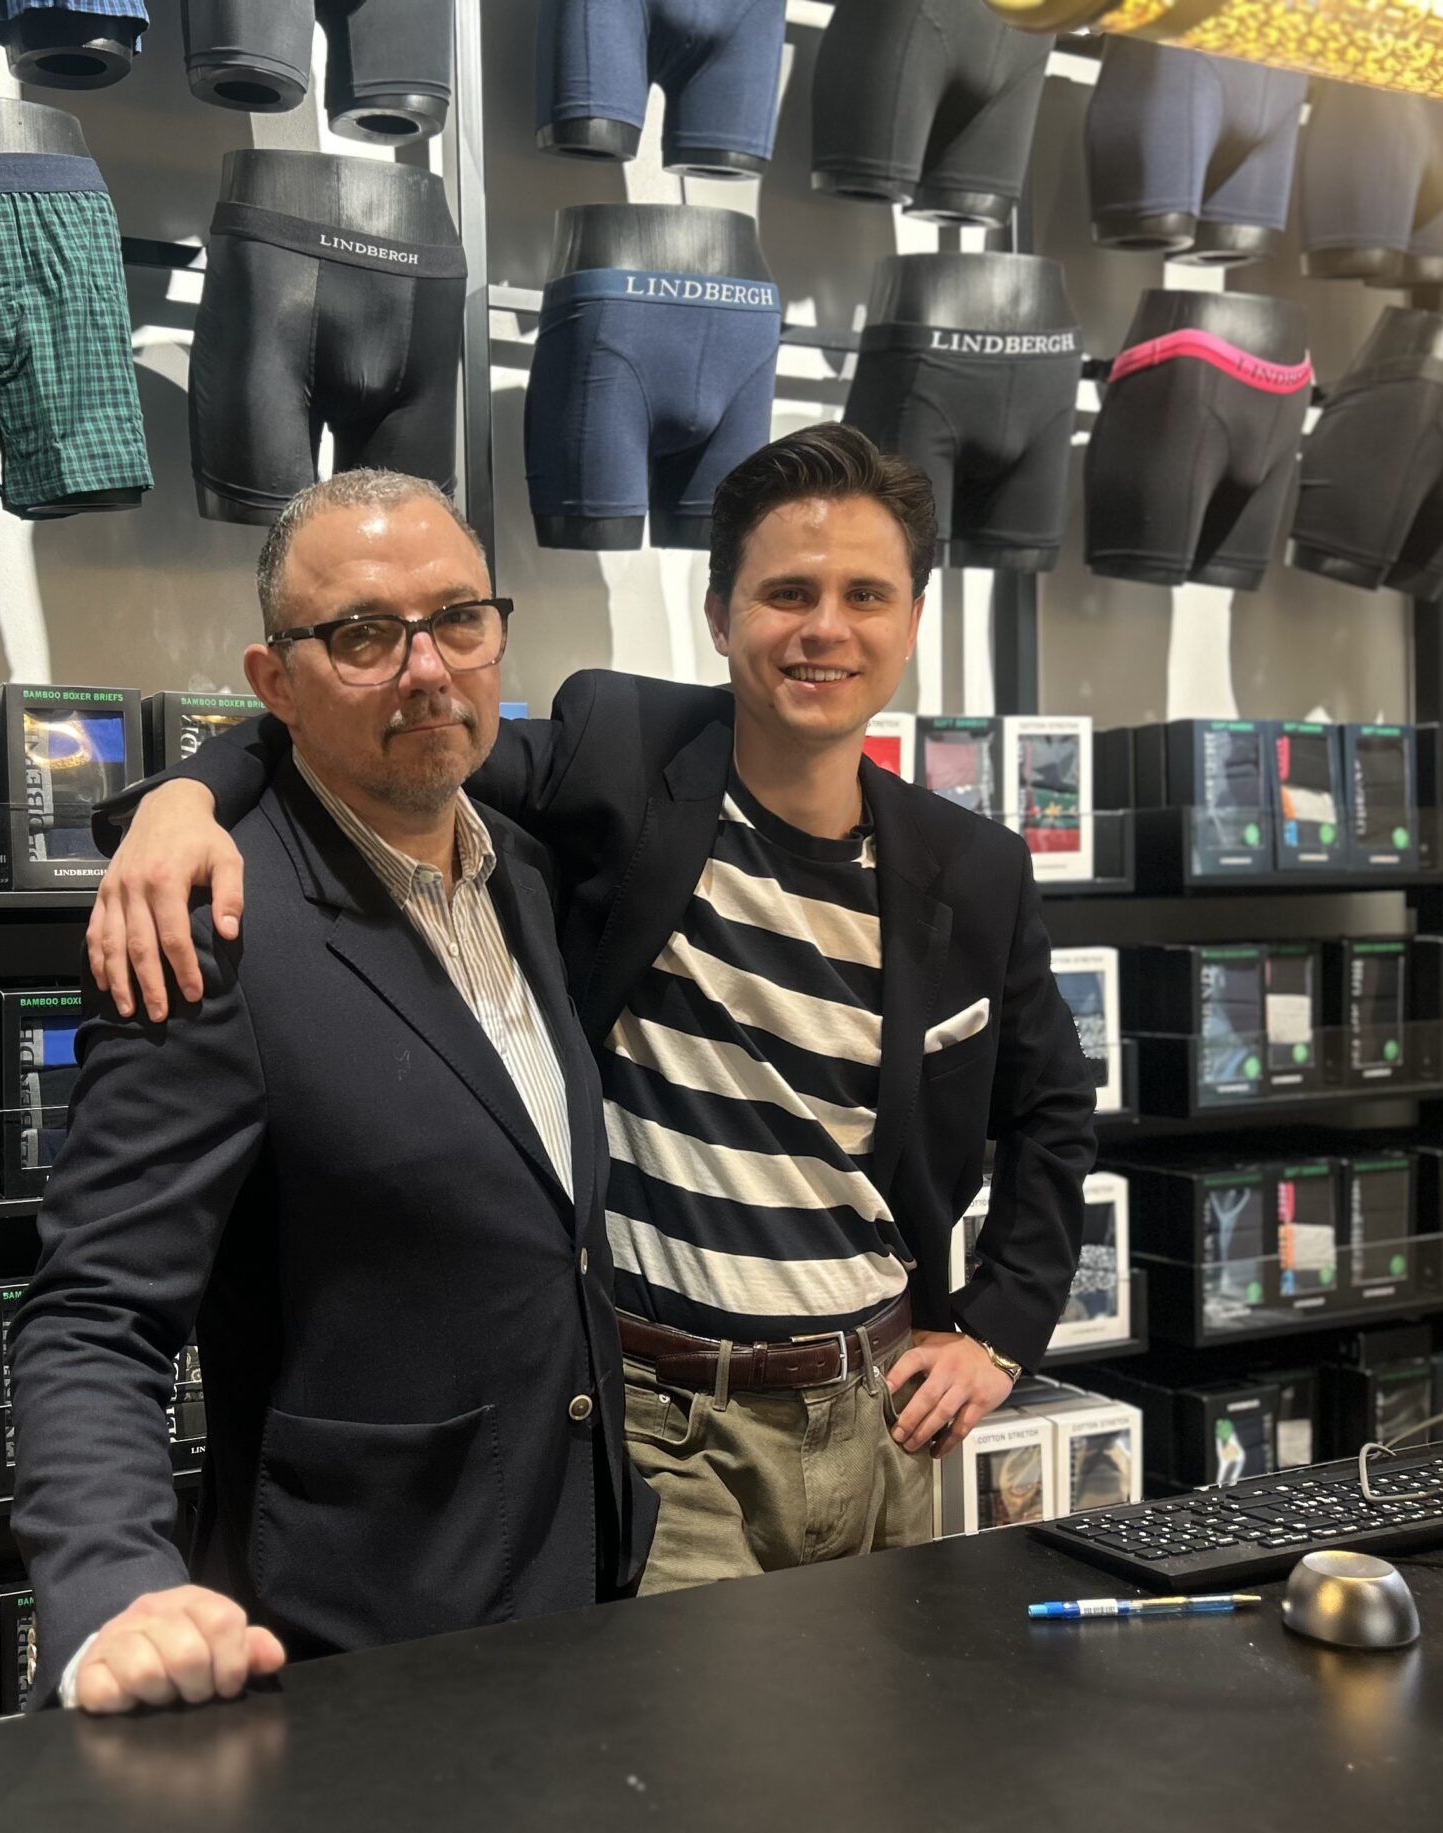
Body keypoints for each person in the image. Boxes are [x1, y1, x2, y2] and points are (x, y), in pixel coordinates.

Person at [91, 423, 1096, 1593]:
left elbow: (1053, 1111)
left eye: (864, 595)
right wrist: (181, 799)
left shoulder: (974, 868)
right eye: (786, 593)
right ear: (719, 617)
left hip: (886, 1422)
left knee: (883, 1710)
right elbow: (385, 721)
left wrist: (997, 1331)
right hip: (668, 1428)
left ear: (913, 620)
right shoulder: (622, 753)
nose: (825, 628)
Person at [12, 469, 652, 1715]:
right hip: (360, 1634)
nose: (426, 668)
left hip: (577, 1585)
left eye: (457, 619)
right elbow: (94, 1313)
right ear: (274, 681)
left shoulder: (524, 872)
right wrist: (110, 1589)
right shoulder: (213, 930)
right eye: (362, 635)